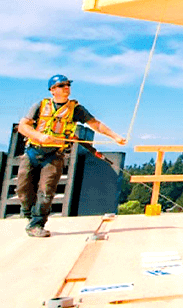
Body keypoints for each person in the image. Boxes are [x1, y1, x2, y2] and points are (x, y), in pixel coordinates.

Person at [16, 75, 127, 237]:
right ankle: (29, 213)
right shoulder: (40, 105)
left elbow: (95, 124)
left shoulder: (76, 109)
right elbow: (23, 126)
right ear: (52, 90)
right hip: (33, 151)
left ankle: (37, 224)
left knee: (47, 191)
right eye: (61, 85)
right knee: (23, 190)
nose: (66, 87)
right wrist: (39, 136)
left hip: (54, 155)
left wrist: (115, 136)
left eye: (67, 85)